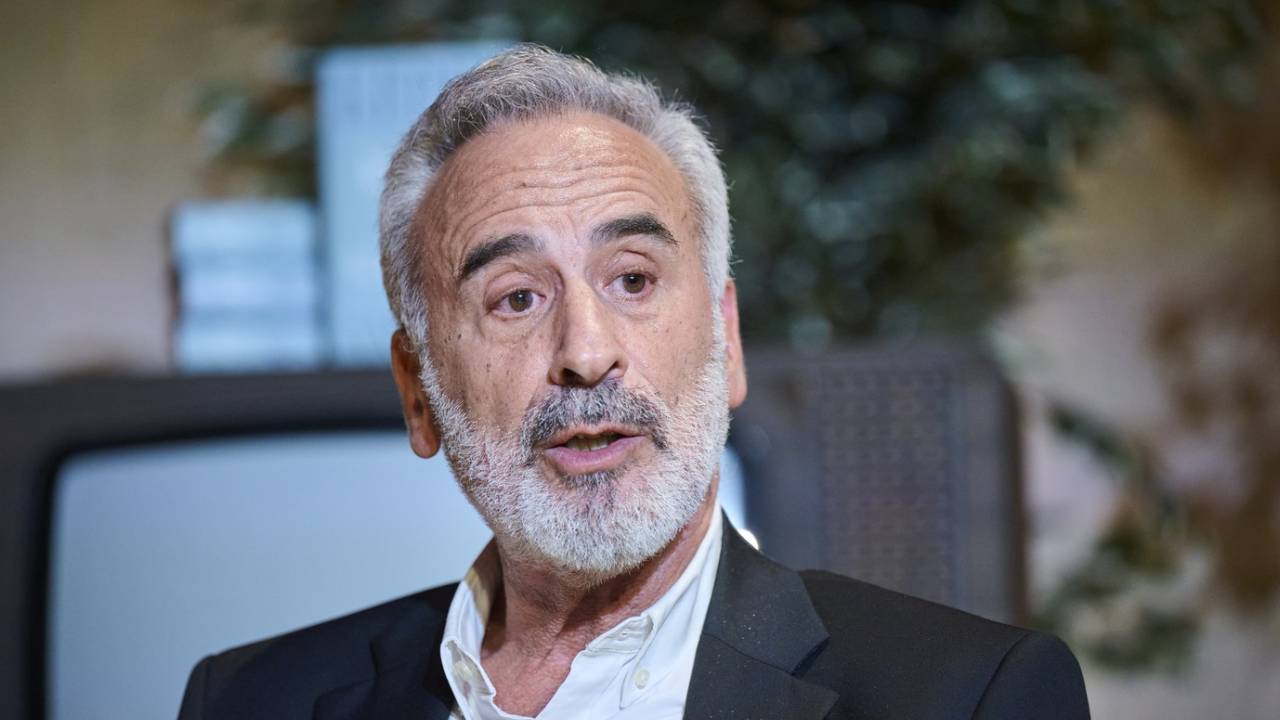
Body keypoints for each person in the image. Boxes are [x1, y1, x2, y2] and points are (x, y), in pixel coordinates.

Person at [178, 44, 1090, 719]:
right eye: (516, 297)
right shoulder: (249, 702)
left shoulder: (968, 698)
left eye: (633, 280)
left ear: (726, 340)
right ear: (419, 391)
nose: (586, 351)